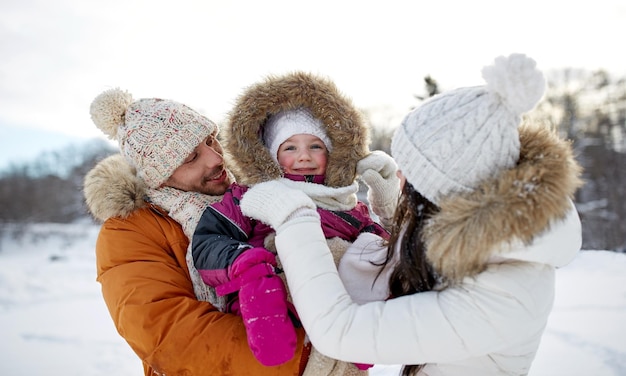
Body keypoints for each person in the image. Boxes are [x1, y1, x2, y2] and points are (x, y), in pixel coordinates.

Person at [238, 54, 584, 375]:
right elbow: (403, 259)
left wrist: (295, 218)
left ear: (439, 190)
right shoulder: (492, 243)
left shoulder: (505, 297)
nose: (400, 176)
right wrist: (389, 206)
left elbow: (339, 330)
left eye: (411, 174)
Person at [149, 71, 399, 375]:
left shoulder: (345, 201)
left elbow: (387, 248)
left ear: (332, 152)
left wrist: (386, 200)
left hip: (337, 296)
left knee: (365, 254)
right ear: (271, 155)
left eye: (315, 146)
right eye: (290, 148)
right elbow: (209, 240)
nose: (304, 156)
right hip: (275, 280)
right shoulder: (251, 196)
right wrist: (244, 262)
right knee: (266, 270)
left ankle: (362, 332)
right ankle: (265, 318)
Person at [82, 88, 312, 375]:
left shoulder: (254, 195)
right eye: (191, 157)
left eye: (210, 140)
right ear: (158, 177)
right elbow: (172, 336)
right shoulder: (129, 231)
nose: (216, 158)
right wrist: (309, 355)